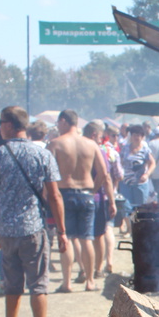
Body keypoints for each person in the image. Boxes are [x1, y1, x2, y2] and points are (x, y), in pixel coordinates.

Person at [0, 106, 66, 317]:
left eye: (1, 123)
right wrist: (62, 231)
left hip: (6, 232)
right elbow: (55, 196)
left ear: (8, 126)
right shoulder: (42, 154)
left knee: (12, 284)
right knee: (38, 284)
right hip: (34, 229)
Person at [48, 109, 115, 292]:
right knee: (87, 238)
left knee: (67, 238)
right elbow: (103, 173)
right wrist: (92, 190)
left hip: (64, 194)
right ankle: (90, 281)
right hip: (86, 194)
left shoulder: (55, 144)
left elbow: (47, 175)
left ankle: (67, 282)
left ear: (63, 121)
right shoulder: (91, 144)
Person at [84, 120, 120, 277]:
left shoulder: (75, 149)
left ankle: (85, 271)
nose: (101, 141)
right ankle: (97, 269)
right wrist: (111, 201)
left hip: (79, 197)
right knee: (98, 235)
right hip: (97, 198)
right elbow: (106, 177)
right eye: (100, 137)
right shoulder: (97, 151)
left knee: (81, 238)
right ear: (94, 135)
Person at [119, 123, 156, 214]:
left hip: (140, 184)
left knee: (140, 208)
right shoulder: (125, 148)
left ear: (142, 137)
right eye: (134, 135)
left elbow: (152, 163)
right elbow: (120, 162)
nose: (136, 137)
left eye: (138, 135)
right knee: (126, 207)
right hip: (126, 183)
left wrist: (146, 175)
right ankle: (129, 227)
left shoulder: (145, 150)